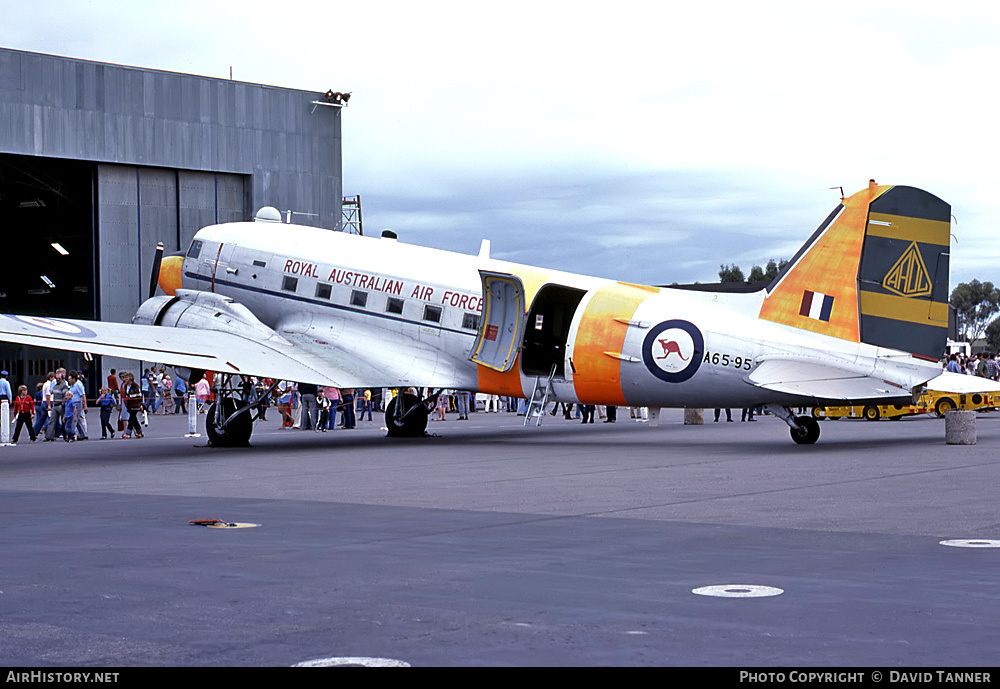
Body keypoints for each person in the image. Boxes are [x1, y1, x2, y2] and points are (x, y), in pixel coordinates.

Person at [120, 372, 144, 438]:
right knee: (134, 419)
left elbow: (139, 396)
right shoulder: (125, 386)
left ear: (131, 378)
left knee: (131, 419)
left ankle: (128, 433)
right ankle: (140, 432)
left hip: (135, 405)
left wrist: (139, 403)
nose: (125, 379)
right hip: (129, 405)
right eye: (125, 377)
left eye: (127, 377)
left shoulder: (135, 386)